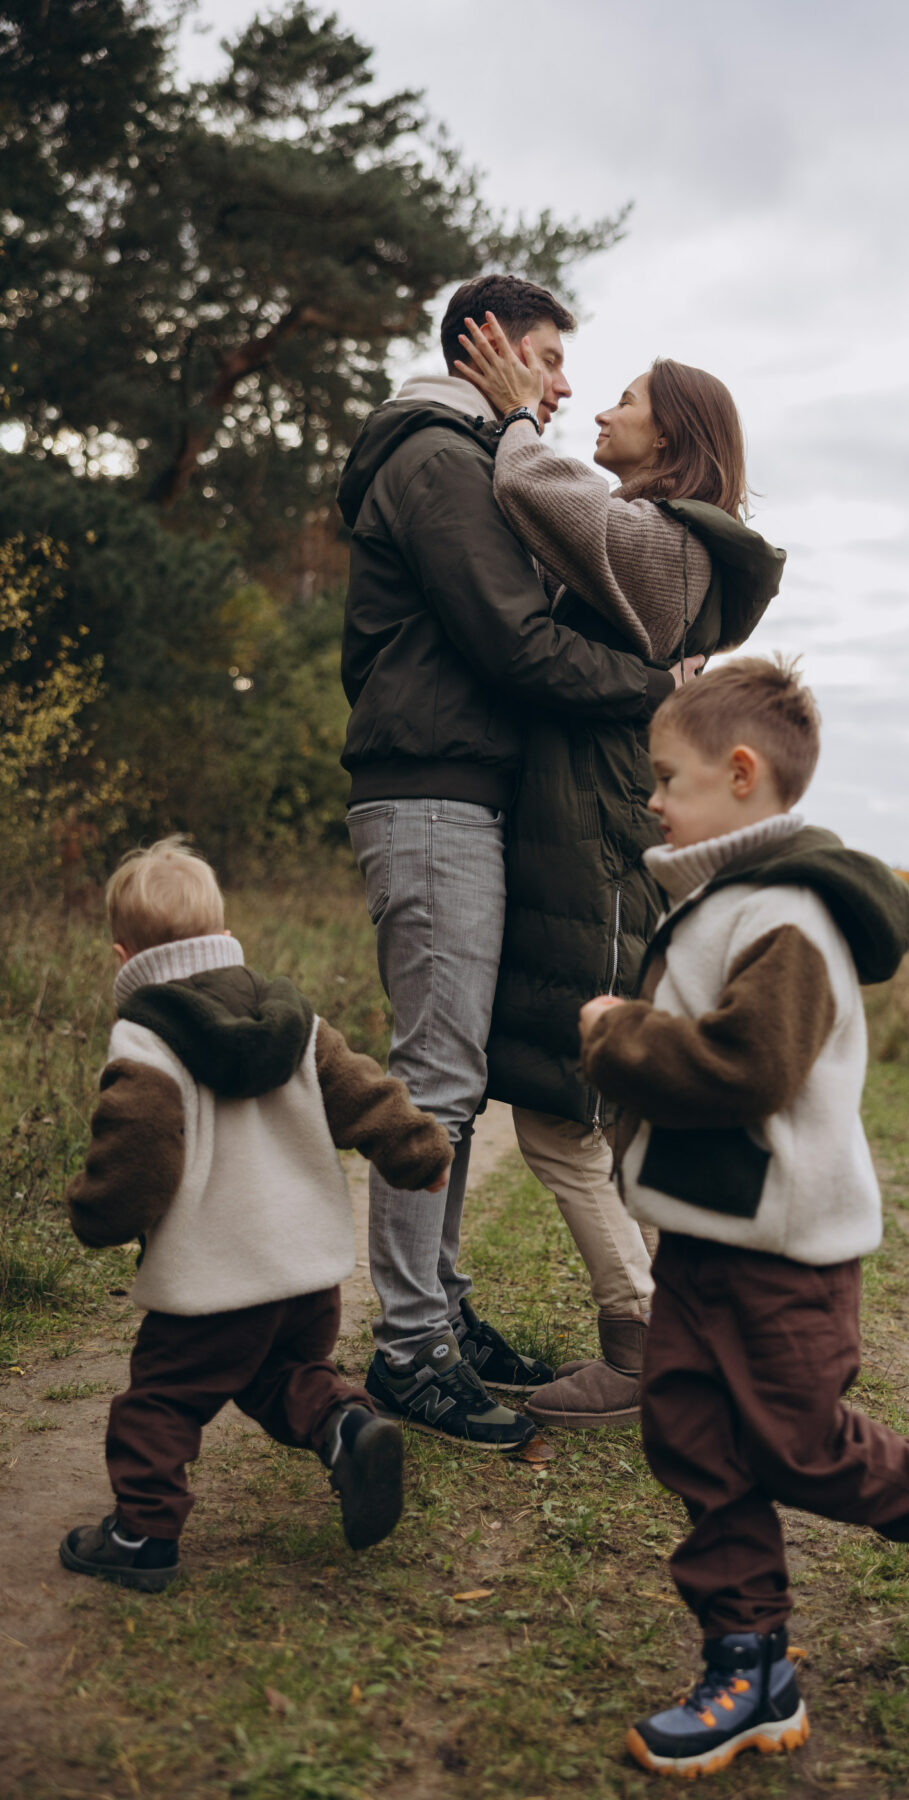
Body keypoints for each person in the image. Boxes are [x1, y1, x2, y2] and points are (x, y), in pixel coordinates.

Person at [577, 660, 909, 1777]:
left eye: (666, 778)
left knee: (800, 1446)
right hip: (703, 1241)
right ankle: (750, 1664)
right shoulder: (720, 899)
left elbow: (747, 1066)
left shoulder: (793, 911)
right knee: (691, 1438)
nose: (655, 802)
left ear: (740, 774)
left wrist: (618, 1032)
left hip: (786, 1253)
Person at [338, 275, 696, 1450]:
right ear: (481, 343)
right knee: (436, 1083)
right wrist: (656, 691)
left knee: (458, 1077)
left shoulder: (465, 455)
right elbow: (518, 645)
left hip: (462, 790)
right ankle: (408, 1356)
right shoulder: (438, 458)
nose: (564, 381)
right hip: (431, 789)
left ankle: (436, 1313)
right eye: (547, 355)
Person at [454, 318, 785, 1429]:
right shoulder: (660, 538)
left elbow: (550, 499)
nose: (595, 410)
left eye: (627, 402)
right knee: (598, 1110)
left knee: (563, 1110)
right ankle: (696, 1331)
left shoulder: (672, 542)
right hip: (585, 831)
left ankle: (642, 1347)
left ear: (675, 439)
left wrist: (509, 417)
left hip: (593, 842)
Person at [59, 837, 452, 1592]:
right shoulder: (291, 1017)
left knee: (162, 1398)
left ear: (122, 953)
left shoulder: (148, 1037)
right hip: (304, 1270)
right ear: (222, 928)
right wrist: (420, 1153)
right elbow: (362, 1090)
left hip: (216, 1276)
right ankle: (347, 1426)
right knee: (284, 1371)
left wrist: (96, 1213)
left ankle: (142, 1534)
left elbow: (138, 1145)